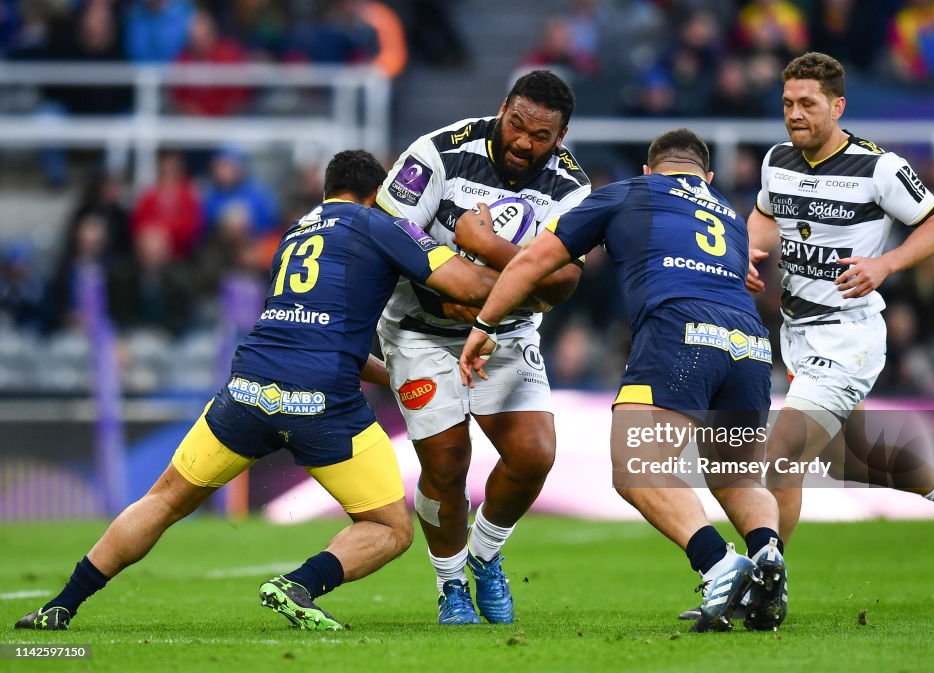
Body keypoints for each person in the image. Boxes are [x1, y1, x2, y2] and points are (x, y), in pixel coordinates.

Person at [14, 150, 498, 632]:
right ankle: (299, 585)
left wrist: (392, 375)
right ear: (377, 195)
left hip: (248, 389)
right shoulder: (377, 223)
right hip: (322, 403)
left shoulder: (294, 232)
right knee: (390, 528)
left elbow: (306, 329)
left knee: (162, 501)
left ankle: (62, 605)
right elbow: (472, 286)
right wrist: (486, 241)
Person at [459, 129, 787, 633]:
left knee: (637, 466)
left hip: (681, 332)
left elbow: (533, 261)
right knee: (737, 476)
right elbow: (740, 272)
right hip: (750, 345)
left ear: (650, 171)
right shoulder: (727, 211)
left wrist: (484, 325)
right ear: (708, 176)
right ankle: (768, 557)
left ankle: (719, 565)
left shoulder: (629, 193)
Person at [743, 52, 934, 569]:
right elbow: (763, 217)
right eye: (788, 103)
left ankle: (763, 583)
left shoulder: (880, 167)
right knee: (851, 461)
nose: (795, 114)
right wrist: (747, 254)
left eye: (808, 103)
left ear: (837, 105)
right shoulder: (777, 160)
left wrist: (885, 264)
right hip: (797, 333)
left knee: (781, 454)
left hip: (848, 336)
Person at [374, 70, 591, 625]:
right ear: (502, 109)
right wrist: (453, 289)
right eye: (516, 124)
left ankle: (485, 555)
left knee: (534, 453)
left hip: (506, 332)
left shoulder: (571, 187)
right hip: (421, 328)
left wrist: (484, 247)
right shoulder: (438, 153)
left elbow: (565, 283)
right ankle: (451, 587)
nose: (522, 141)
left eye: (539, 136)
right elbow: (386, 231)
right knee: (447, 462)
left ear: (560, 138)